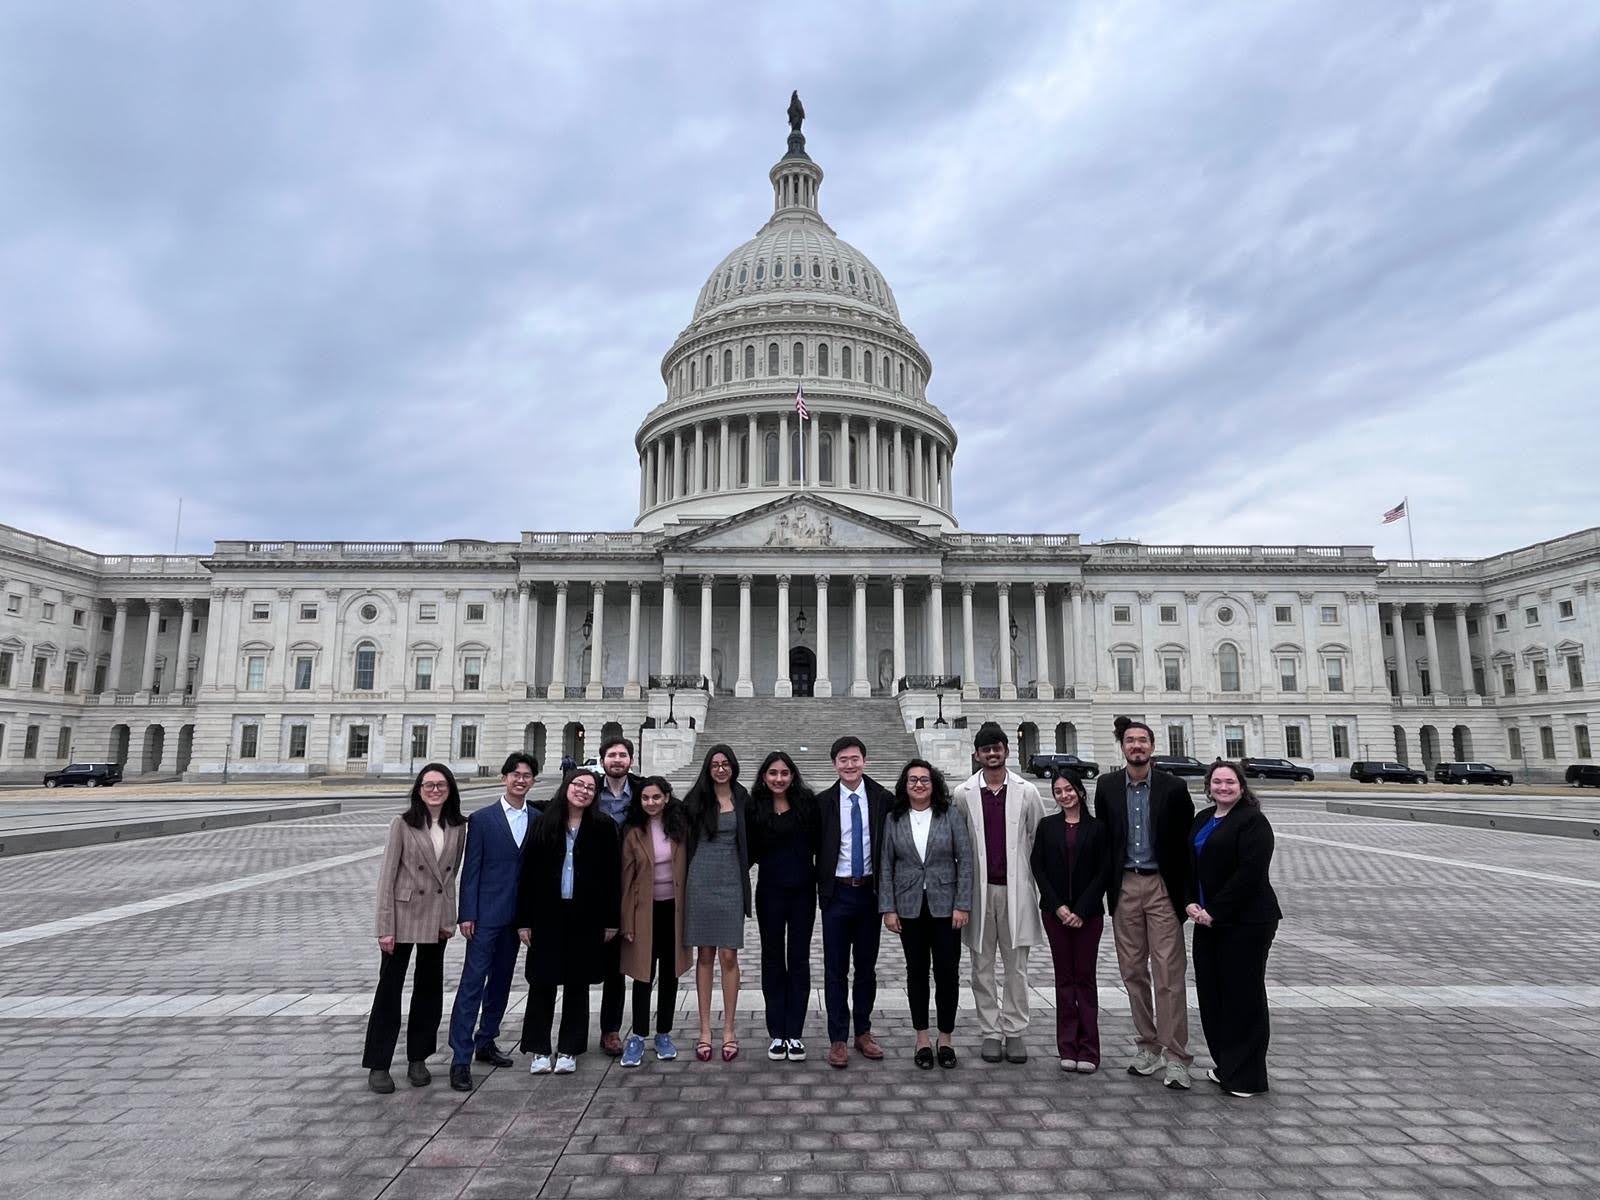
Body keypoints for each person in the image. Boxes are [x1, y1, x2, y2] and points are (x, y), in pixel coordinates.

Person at [1093, 716, 1197, 1089]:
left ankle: (1177, 1056)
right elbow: (1105, 839)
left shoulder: (1173, 788)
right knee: (1133, 972)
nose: (1136, 746)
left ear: (1152, 746)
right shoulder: (1106, 787)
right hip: (1125, 886)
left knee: (1168, 973)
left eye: (1142, 740)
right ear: (1122, 747)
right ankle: (1148, 1046)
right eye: (1130, 741)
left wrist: (1187, 894)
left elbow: (1186, 843)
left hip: (1161, 886)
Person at [362, 763, 467, 1092]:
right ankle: (379, 1063)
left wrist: (448, 918)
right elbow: (386, 878)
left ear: (450, 790)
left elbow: (449, 878)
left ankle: (418, 1058)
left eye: (441, 785)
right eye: (428, 785)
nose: (434, 790)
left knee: (429, 990)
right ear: (419, 790)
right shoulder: (402, 824)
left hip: (435, 919)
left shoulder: (458, 827)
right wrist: (384, 927)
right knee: (389, 991)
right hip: (402, 916)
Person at [1187, 760, 1282, 1098]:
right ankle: (1226, 1064)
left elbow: (1250, 873)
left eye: (1229, 782)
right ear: (1208, 786)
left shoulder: (1253, 821)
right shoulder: (1203, 819)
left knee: (1243, 997)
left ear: (1241, 786)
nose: (1223, 788)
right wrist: (1189, 902)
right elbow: (1189, 866)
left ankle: (1248, 1076)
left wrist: (1216, 910)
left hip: (1246, 922)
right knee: (1213, 995)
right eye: (1217, 782)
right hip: (1206, 921)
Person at [515, 769, 621, 1074]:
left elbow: (612, 877)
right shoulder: (544, 822)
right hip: (547, 913)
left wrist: (611, 920)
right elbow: (527, 875)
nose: (583, 791)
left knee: (578, 982)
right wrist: (523, 920)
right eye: (578, 784)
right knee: (542, 981)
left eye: (590, 788)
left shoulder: (604, 826)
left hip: (585, 915)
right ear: (566, 786)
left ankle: (569, 1049)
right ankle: (538, 1048)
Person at [953, 721, 1046, 1064]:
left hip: (1015, 890)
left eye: (997, 748)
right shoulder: (963, 793)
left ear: (1006, 751)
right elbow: (959, 844)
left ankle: (1015, 1029)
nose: (992, 754)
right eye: (986, 749)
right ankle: (990, 1030)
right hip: (980, 892)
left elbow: (1039, 839)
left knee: (1016, 966)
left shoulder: (1027, 791)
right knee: (981, 966)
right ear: (977, 755)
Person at [447, 751, 537, 1092]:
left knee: (501, 981)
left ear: (533, 781)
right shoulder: (482, 819)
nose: (520, 780)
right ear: (504, 778)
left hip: (516, 918)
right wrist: (467, 913)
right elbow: (471, 869)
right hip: (485, 916)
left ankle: (486, 1040)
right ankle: (460, 1057)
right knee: (472, 984)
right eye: (515, 774)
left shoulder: (538, 818)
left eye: (526, 775)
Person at [878, 760, 972, 1069]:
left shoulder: (950, 814)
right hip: (909, 908)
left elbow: (965, 859)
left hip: (946, 907)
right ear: (904, 786)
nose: (918, 785)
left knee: (947, 973)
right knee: (916, 973)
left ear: (934, 784)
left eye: (924, 780)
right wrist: (888, 908)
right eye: (913, 780)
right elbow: (886, 864)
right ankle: (921, 1038)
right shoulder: (894, 818)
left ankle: (945, 1038)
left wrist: (962, 904)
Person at [816, 735, 893, 1068]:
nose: (849, 765)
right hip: (837, 893)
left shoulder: (883, 799)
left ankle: (863, 1031)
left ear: (865, 761)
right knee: (835, 969)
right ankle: (838, 1038)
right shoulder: (822, 803)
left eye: (855, 759)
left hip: (869, 893)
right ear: (834, 764)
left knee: (865, 968)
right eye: (843, 760)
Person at [1030, 771, 1111, 1073]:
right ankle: (1067, 1046)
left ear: (1080, 791)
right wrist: (1058, 906)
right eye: (1058, 791)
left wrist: (1082, 909)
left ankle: (1089, 1049)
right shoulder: (1047, 826)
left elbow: (1104, 871)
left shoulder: (1098, 828)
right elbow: (1038, 867)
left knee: (1085, 979)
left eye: (1069, 789)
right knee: (1064, 980)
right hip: (1055, 914)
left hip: (1088, 916)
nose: (1064, 795)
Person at [681, 744, 752, 1063]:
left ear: (733, 767)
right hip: (701, 878)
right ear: (708, 768)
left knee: (728, 955)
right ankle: (705, 1030)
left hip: (731, 880)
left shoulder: (743, 798)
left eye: (725, 764)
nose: (721, 769)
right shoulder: (695, 800)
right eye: (715, 764)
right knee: (705, 954)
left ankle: (729, 1030)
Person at [748, 750, 820, 1062]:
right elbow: (746, 850)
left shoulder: (807, 803)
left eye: (784, 773)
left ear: (792, 776)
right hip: (770, 893)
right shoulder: (755, 806)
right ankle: (777, 1032)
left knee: (799, 960)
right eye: (773, 773)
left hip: (803, 892)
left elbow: (821, 844)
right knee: (773, 960)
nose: (779, 778)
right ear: (764, 777)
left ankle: (795, 1032)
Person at [618, 776, 691, 1068]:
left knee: (670, 975)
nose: (651, 803)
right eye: (645, 798)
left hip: (673, 910)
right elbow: (626, 879)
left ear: (667, 798)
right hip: (643, 911)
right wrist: (626, 921)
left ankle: (664, 1033)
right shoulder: (633, 831)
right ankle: (637, 1035)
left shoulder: (680, 828)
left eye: (656, 797)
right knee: (642, 976)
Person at [595, 735, 643, 1056]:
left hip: (629, 885)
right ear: (602, 761)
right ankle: (570, 1036)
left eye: (622, 755)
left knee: (617, 965)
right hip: (592, 885)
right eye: (611, 755)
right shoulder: (588, 789)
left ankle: (611, 1029)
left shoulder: (641, 791)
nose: (617, 760)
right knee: (581, 962)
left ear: (631, 760)